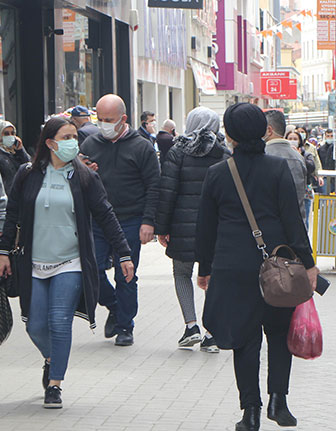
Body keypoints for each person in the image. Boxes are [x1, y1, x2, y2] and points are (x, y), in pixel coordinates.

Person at [195, 103, 319, 431]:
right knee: (279, 334)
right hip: (277, 267)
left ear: (230, 135)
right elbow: (293, 222)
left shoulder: (217, 173)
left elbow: (205, 228)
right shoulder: (277, 169)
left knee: (244, 340)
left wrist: (204, 268)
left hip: (232, 268)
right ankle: (279, 400)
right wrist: (308, 264)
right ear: (263, 130)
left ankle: (250, 411)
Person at [0, 116, 134, 408]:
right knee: (35, 325)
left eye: (75, 136)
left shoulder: (85, 176)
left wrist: (124, 253)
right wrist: (3, 252)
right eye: (66, 137)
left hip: (70, 262)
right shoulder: (27, 174)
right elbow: (12, 216)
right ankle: (51, 358)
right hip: (34, 262)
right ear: (50, 143)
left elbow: (106, 215)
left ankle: (55, 384)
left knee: (59, 322)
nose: (74, 142)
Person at [80, 94, 160, 346]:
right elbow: (72, 180)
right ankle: (113, 305)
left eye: (109, 120)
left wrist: (149, 221)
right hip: (98, 220)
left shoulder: (142, 147)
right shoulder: (90, 145)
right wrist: (83, 173)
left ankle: (125, 326)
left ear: (123, 119)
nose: (104, 124)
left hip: (130, 219)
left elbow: (154, 186)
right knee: (90, 269)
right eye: (100, 119)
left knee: (126, 273)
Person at [155, 107, 229, 353]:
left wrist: (162, 228)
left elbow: (167, 192)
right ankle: (211, 333)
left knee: (181, 273)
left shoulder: (178, 151)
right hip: (216, 227)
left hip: (181, 225)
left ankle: (191, 326)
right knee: (216, 278)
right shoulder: (224, 153)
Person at [263, 110, 307, 221]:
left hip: (269, 224)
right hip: (295, 224)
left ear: (269, 130)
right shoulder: (298, 157)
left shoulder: (263, 156)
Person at [0, 120, 31, 191]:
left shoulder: (15, 152)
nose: (10, 136)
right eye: (6, 134)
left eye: (12, 133)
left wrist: (21, 150)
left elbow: (29, 166)